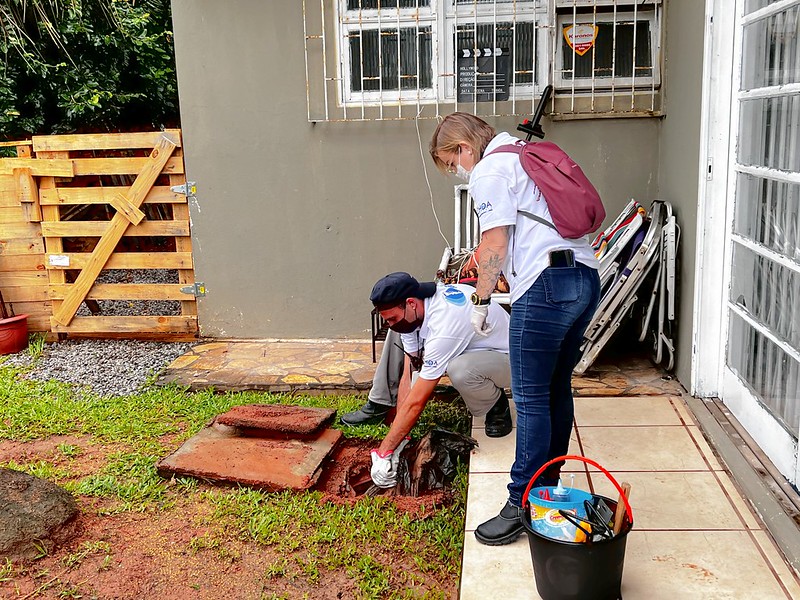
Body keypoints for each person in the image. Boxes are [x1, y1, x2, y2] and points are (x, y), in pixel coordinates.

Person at [429, 113, 601, 546]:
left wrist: (481, 300)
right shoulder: (521, 155)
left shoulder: (490, 169)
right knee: (556, 389)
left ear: (464, 148)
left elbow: (495, 243)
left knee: (529, 398)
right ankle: (548, 486)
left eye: (451, 162)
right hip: (584, 279)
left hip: (544, 286)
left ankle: (520, 502)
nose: (456, 171)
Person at [345, 272, 512, 489]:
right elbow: (409, 372)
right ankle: (381, 405)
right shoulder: (415, 309)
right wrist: (400, 436)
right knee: (399, 334)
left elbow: (418, 400)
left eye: (392, 318)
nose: (391, 323)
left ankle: (496, 405)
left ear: (411, 303)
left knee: (460, 370)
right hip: (480, 350)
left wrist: (384, 451)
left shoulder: (444, 325)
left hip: (513, 361)